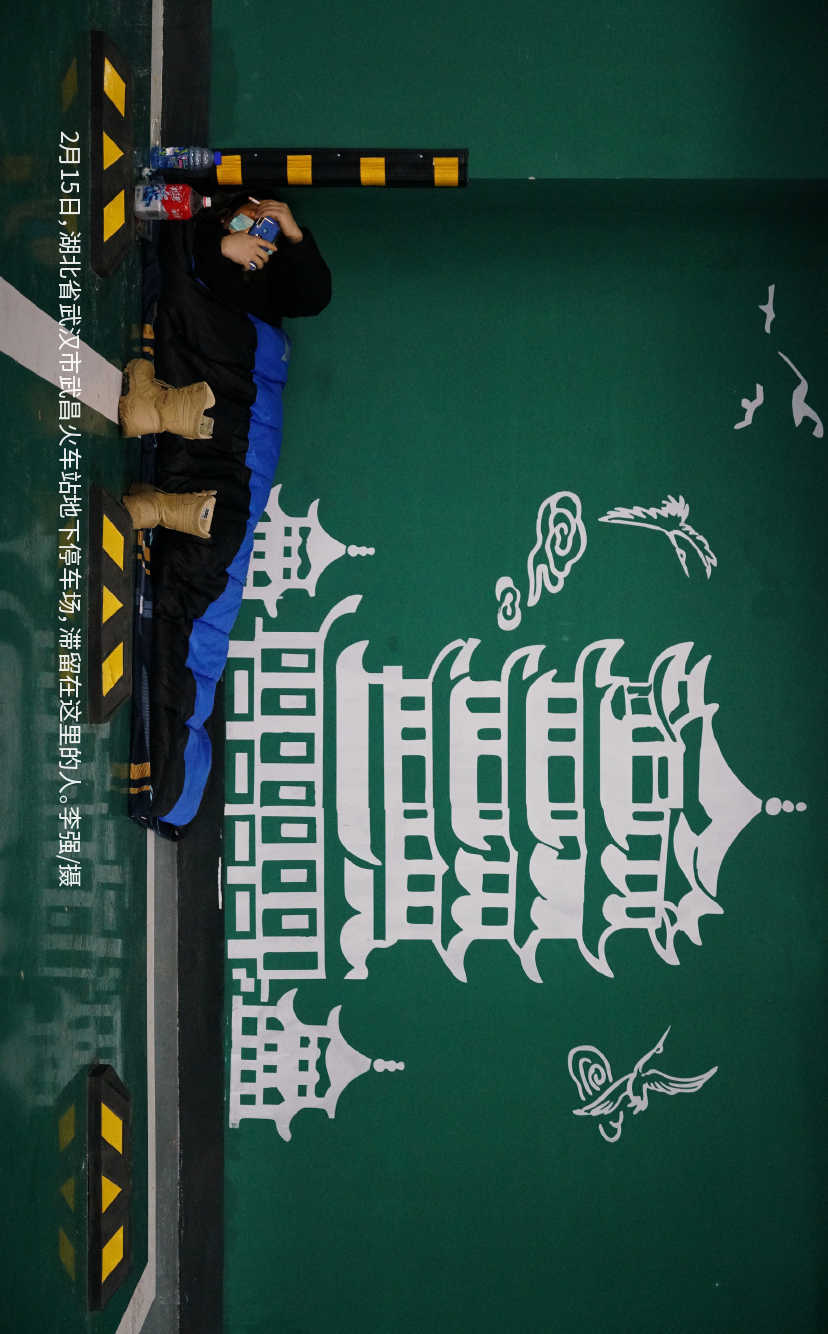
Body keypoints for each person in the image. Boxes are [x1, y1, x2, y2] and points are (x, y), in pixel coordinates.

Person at [119, 196, 331, 830]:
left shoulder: (265, 276)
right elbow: (183, 268)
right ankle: (170, 500)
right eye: (249, 219)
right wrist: (221, 244)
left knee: (205, 577)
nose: (256, 232)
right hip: (233, 391)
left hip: (246, 399)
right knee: (206, 569)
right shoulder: (206, 241)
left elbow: (313, 295)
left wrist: (291, 231)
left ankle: (174, 787)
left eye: (265, 228)